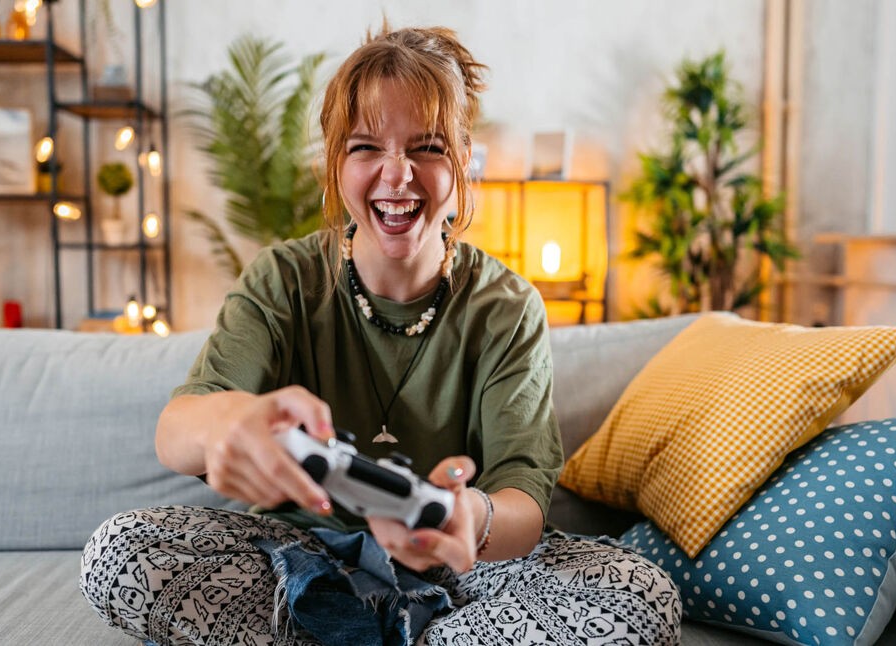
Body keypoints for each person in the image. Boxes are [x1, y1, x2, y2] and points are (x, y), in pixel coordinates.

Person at [80, 24, 681, 646]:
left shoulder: (505, 306)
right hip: (300, 559)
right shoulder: (283, 280)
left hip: (459, 572)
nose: (398, 177)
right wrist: (227, 421)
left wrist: (466, 518)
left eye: (427, 147)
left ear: (463, 160)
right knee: (121, 552)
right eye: (366, 147)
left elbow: (522, 500)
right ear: (336, 164)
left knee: (639, 594)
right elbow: (176, 431)